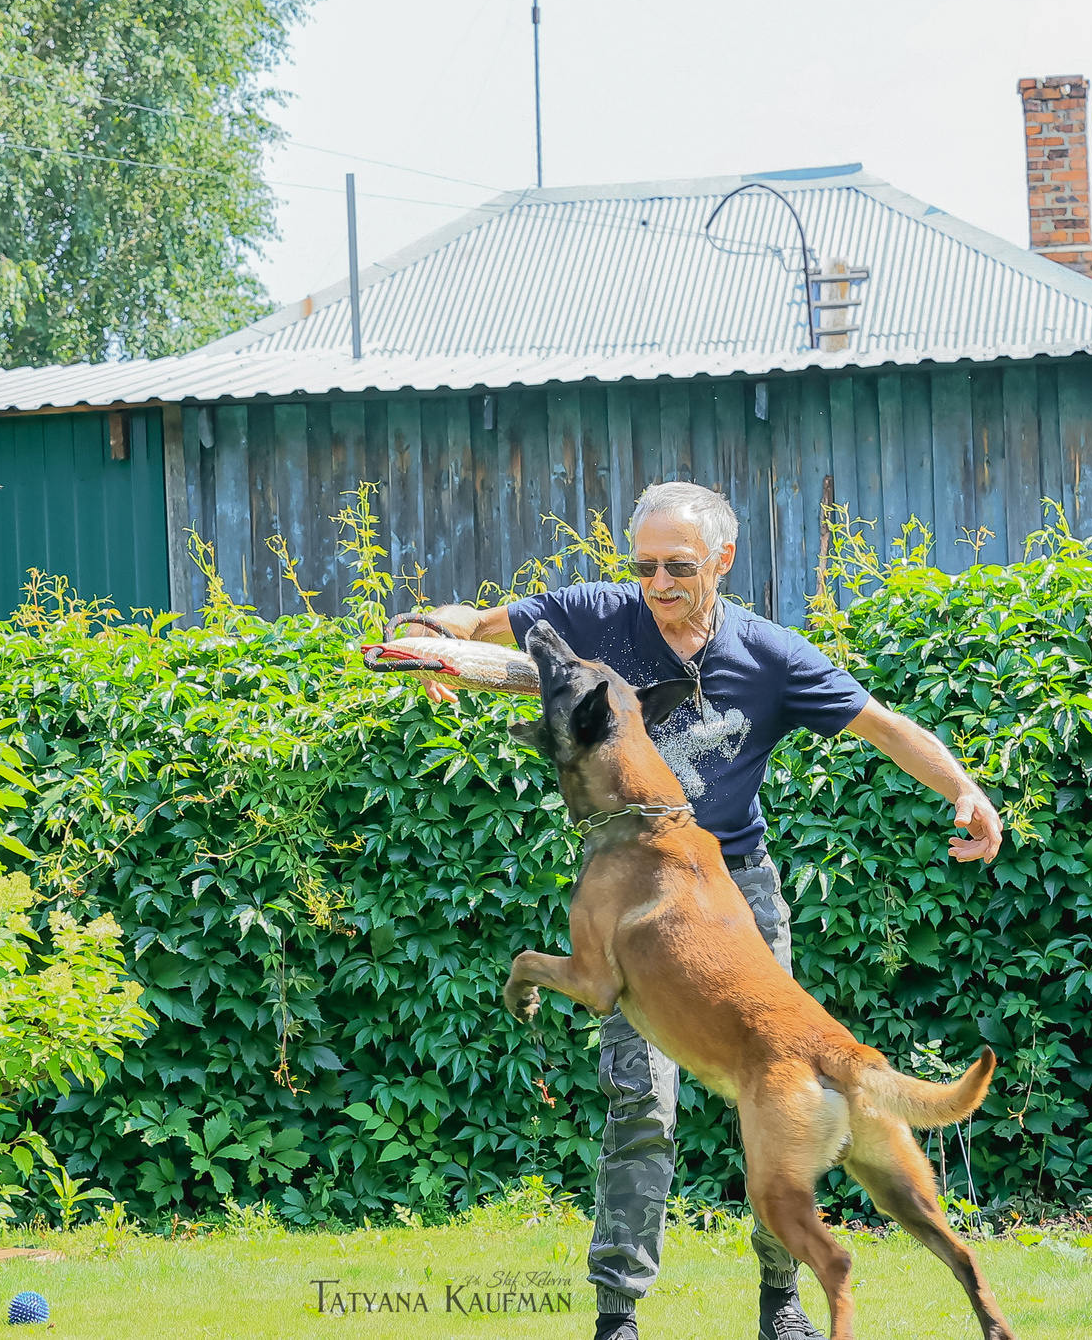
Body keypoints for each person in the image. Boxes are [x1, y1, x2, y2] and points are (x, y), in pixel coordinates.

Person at [413, 480, 1004, 1340]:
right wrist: (433, 636)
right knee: (639, 1103)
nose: (657, 581)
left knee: (781, 1088)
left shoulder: (768, 652)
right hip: (645, 897)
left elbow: (880, 723)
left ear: (723, 560)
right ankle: (618, 1313)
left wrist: (965, 789)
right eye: (645, 564)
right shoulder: (598, 615)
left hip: (738, 899)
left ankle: (784, 1304)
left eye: (678, 565)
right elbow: (483, 622)